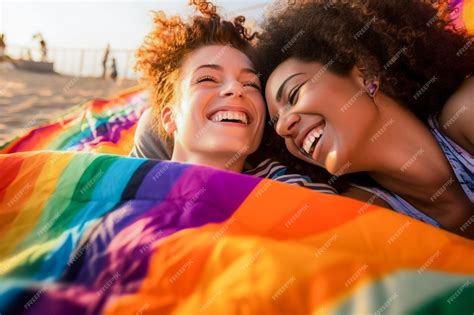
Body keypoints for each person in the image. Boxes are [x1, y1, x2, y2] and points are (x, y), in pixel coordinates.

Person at [257, 0, 474, 238]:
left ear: (365, 73)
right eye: (275, 121)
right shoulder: (365, 211)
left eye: (293, 94)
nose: (282, 127)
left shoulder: (467, 111)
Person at [129, 0, 338, 194]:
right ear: (169, 118)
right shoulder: (118, 183)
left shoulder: (299, 193)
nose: (236, 88)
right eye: (207, 79)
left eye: (250, 84)